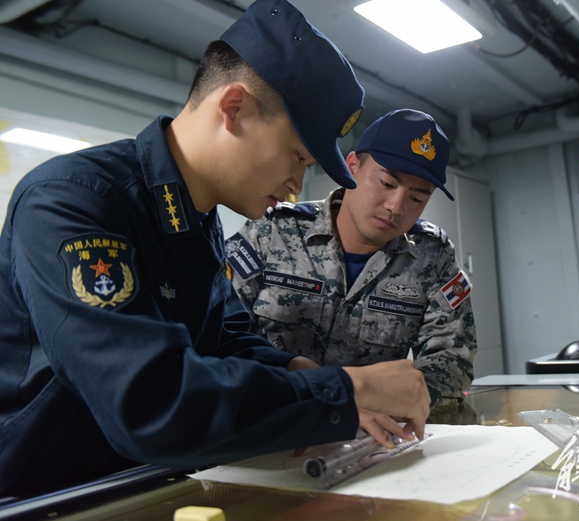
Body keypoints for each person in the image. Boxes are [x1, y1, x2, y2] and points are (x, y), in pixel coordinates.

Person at [0, 0, 429, 497]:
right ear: (234, 108)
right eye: (297, 156)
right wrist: (347, 389)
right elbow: (151, 403)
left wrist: (300, 371)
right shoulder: (72, 200)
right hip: (40, 495)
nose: (297, 185)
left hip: (141, 484)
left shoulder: (198, 220)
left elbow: (226, 339)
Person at [229, 109, 477, 426]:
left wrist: (397, 397)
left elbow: (453, 357)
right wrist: (329, 397)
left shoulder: (433, 255)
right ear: (352, 167)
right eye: (386, 183)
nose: (396, 206)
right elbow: (221, 337)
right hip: (273, 424)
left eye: (417, 198)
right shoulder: (271, 232)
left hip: (373, 437)